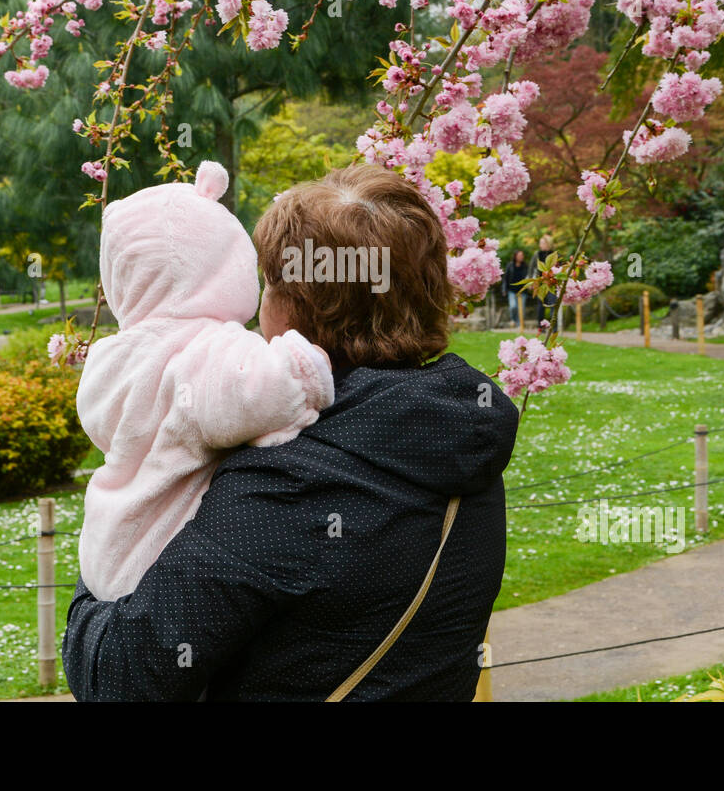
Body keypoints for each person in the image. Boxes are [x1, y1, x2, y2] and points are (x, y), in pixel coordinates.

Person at [62, 164, 519, 700]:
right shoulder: (461, 430)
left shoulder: (289, 482)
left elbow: (120, 677)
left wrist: (120, 515)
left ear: (298, 306)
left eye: (269, 281)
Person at [75, 160, 334, 603]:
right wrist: (304, 362)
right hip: (166, 557)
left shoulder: (111, 357)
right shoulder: (206, 352)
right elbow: (259, 392)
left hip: (109, 547)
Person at [502, 249, 529, 327]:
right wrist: (504, 289)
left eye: (522, 255)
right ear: (515, 256)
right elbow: (505, 278)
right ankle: (513, 320)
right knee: (513, 306)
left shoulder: (525, 266)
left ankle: (519, 324)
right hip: (512, 290)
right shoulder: (510, 265)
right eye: (520, 255)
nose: (521, 257)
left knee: (521, 309)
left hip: (522, 291)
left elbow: (528, 277)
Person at [535, 235, 554, 322]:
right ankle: (540, 326)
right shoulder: (537, 255)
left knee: (553, 304)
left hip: (552, 284)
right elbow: (532, 269)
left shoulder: (554, 255)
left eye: (542, 243)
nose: (540, 245)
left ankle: (553, 327)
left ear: (548, 243)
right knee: (540, 305)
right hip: (540, 283)